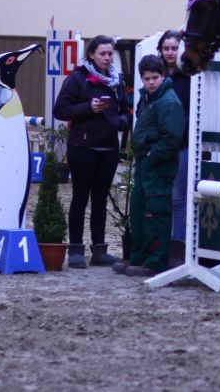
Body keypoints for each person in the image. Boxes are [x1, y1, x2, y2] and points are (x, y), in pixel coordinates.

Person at [53, 35, 130, 268]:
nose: (107, 58)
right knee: (80, 198)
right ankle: (76, 250)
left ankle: (99, 250)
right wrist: (89, 107)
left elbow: (125, 110)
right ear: (91, 55)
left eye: (109, 54)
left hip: (109, 147)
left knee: (100, 200)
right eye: (102, 53)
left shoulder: (117, 80)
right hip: (83, 147)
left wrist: (120, 122)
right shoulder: (78, 78)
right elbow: (60, 110)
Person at [116, 54, 185, 276]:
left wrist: (152, 156)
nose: (151, 82)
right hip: (145, 163)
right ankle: (138, 257)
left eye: (155, 77)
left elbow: (172, 139)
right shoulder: (148, 98)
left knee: (156, 214)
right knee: (138, 211)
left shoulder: (169, 102)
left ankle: (155, 262)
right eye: (147, 79)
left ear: (163, 76)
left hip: (159, 165)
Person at [156, 30, 190, 267]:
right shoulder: (155, 74)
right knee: (161, 198)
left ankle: (178, 250)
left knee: (178, 199)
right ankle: (159, 247)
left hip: (182, 143)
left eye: (174, 48)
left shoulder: (189, 76)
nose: (170, 53)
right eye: (166, 48)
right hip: (159, 144)